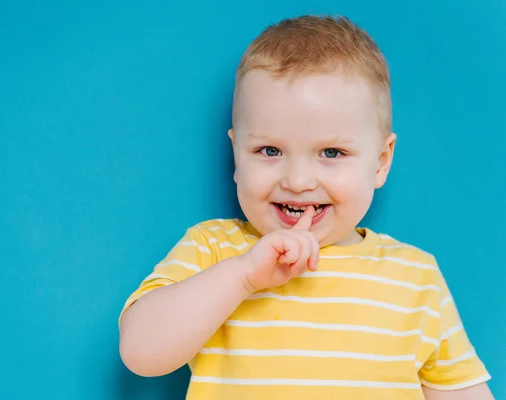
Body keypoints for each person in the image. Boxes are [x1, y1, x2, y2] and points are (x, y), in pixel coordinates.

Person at [118, 15, 493, 400]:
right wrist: (243, 276)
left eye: (331, 152)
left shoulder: (417, 277)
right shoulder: (213, 250)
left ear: (381, 161)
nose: (297, 181)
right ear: (236, 156)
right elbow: (140, 354)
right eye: (270, 150)